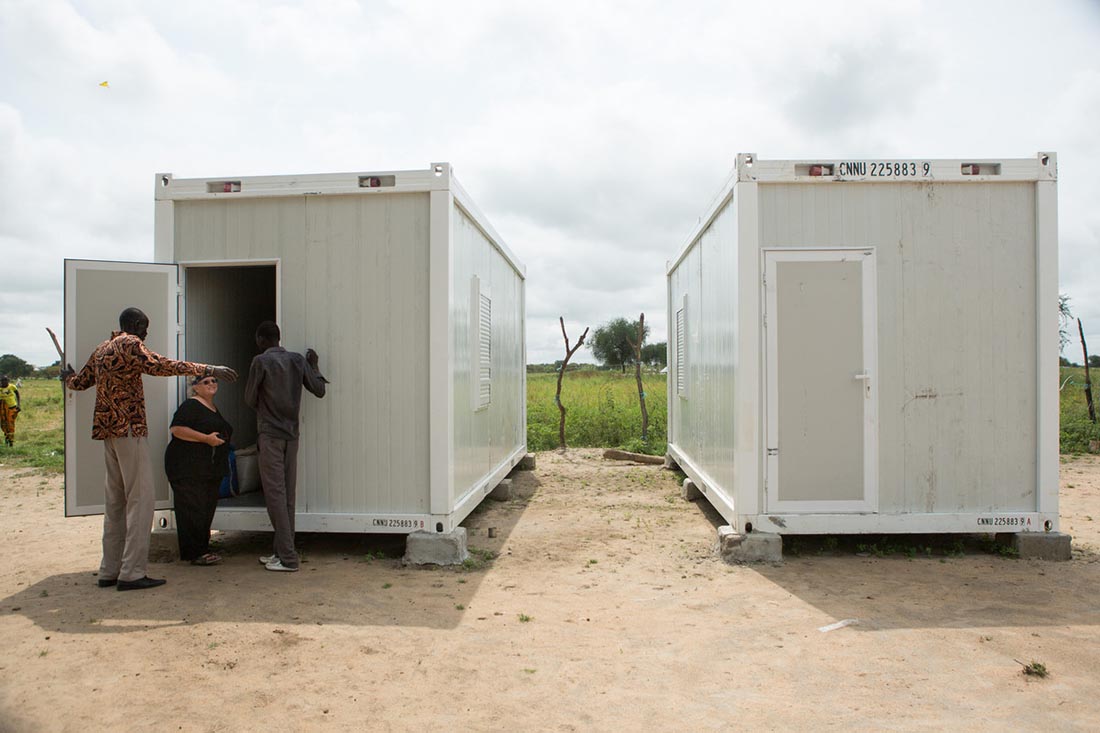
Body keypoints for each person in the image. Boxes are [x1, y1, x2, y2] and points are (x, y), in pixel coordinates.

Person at [62, 307, 238, 591]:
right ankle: (131, 573)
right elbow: (160, 365)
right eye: (144, 327)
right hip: (129, 430)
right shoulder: (130, 344)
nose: (146, 333)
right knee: (141, 501)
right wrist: (206, 369)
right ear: (133, 325)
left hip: (108, 432)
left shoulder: (102, 349)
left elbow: (80, 382)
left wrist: (67, 377)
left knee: (116, 502)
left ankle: (110, 569)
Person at [244, 321, 327, 572]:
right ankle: (281, 551)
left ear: (260, 340)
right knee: (287, 496)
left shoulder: (260, 362)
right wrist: (314, 365)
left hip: (270, 435)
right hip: (292, 435)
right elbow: (319, 390)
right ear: (279, 338)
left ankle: (288, 558)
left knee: (275, 496)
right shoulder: (297, 361)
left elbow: (249, 399)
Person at [164, 374, 233, 566]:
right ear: (195, 387)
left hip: (207, 469)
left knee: (204, 508)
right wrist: (206, 439)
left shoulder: (211, 407)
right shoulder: (191, 405)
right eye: (206, 382)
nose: (211, 384)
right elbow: (177, 430)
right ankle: (194, 553)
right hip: (186, 467)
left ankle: (202, 549)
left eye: (214, 381)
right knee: (191, 508)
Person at [0, 375, 20, 447]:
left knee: (10, 424)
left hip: (12, 408)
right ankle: (6, 438)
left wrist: (18, 405)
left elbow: (17, 394)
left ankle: (11, 440)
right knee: (3, 424)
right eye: (2, 381)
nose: (3, 383)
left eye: (5, 381)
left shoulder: (12, 387)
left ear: (8, 381)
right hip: (2, 409)